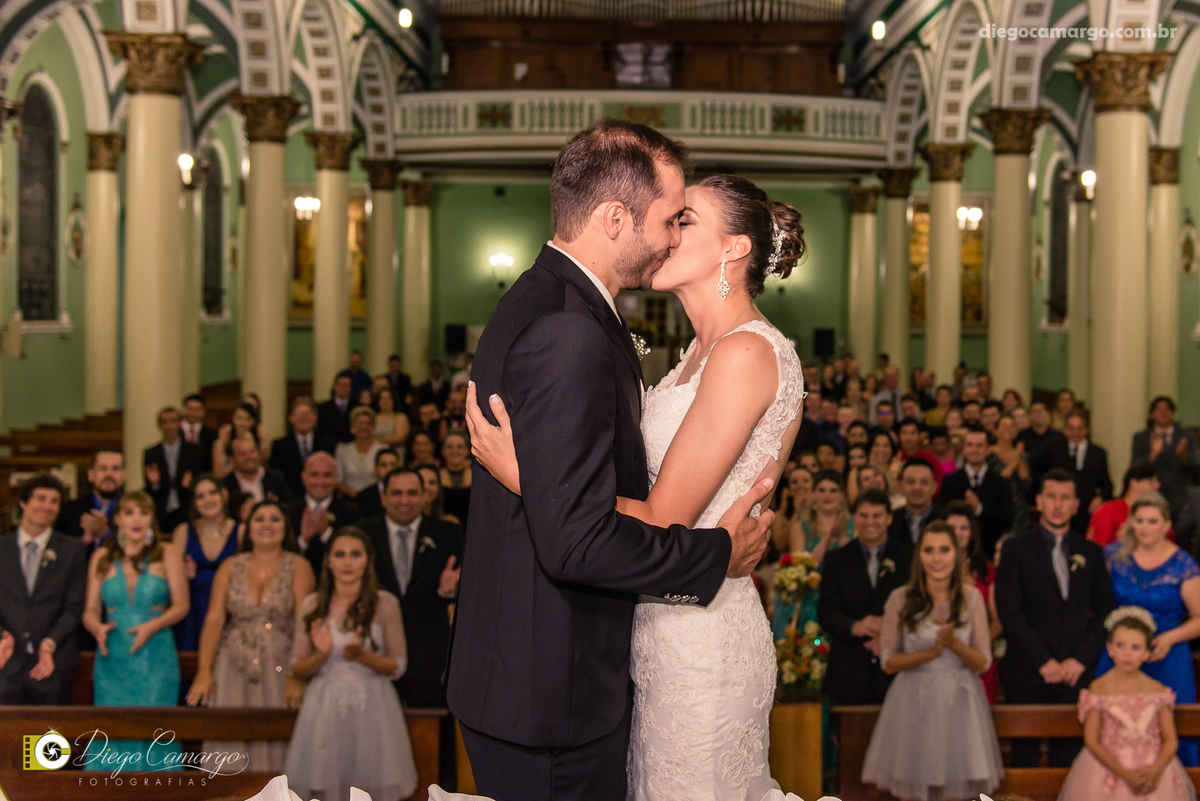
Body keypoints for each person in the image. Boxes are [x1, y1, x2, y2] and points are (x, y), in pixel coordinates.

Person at [453, 124, 791, 801]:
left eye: (685, 221)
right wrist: (714, 555)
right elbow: (579, 528)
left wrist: (528, 478)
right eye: (671, 218)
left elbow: (642, 508)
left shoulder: (734, 350)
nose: (669, 235)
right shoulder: (574, 325)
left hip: (671, 647)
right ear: (615, 218)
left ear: (735, 248)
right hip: (561, 676)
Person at [861, 522, 1003, 801]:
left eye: (944, 550)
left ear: (956, 554)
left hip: (959, 701)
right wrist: (932, 652)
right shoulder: (900, 598)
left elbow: (984, 661)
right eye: (929, 550)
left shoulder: (972, 597)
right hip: (913, 699)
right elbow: (889, 661)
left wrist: (954, 644)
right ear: (919, 556)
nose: (937, 558)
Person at [284, 526, 418, 801]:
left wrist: (362, 655)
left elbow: (398, 666)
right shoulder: (312, 605)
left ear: (368, 560)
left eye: (355, 554)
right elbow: (297, 666)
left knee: (370, 784)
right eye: (340, 554)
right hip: (324, 704)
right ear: (328, 561)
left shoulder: (385, 603)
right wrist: (321, 654)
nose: (347, 562)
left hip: (373, 704)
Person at [995, 469, 1115, 767]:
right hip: (1027, 669)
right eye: (1051, 496)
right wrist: (1043, 661)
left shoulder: (1091, 552)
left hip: (1075, 672)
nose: (1058, 504)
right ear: (1038, 501)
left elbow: (1106, 611)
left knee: (1070, 759)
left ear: (1076, 505)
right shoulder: (1015, 548)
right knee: (1024, 758)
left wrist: (1081, 660)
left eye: (1065, 498)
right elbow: (1009, 611)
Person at [186, 500, 316, 771]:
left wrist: (297, 675)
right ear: (248, 528)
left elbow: (304, 623)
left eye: (275, 519)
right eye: (259, 519)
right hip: (232, 665)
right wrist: (204, 671)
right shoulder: (230, 566)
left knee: (278, 739)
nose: (267, 525)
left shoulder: (299, 566)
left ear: (286, 527)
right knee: (230, 737)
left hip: (281, 666)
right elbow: (214, 619)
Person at [81, 491, 188, 768]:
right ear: (117, 519)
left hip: (156, 656)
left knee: (156, 728)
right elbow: (90, 610)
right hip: (113, 657)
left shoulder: (168, 553)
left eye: (143, 512)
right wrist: (96, 627)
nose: (136, 519)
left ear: (152, 518)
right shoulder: (101, 557)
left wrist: (153, 625)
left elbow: (181, 605)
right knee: (111, 727)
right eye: (129, 513)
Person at [1095, 491, 1200, 766]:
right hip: (1120, 654)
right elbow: (1094, 603)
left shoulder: (1183, 564)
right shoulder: (1113, 556)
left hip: (1167, 654)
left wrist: (1170, 638)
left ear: (1167, 524)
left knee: (1171, 726)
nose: (1144, 527)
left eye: (1152, 521)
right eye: (1139, 520)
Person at [1058, 607, 1196, 801]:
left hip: (1152, 769)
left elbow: (1170, 740)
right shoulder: (1099, 688)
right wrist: (1125, 774)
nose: (1128, 654)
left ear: (1146, 653)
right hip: (1110, 768)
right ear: (1110, 648)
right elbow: (1092, 740)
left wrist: (1156, 769)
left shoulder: (1158, 691)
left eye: (1136, 647)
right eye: (1121, 645)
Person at [358, 468, 463, 707]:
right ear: (383, 497)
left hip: (429, 658)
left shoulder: (448, 534)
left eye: (412, 493)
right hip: (375, 655)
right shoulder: (363, 533)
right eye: (397, 493)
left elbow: (464, 590)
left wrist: (451, 591)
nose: (404, 500)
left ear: (425, 496)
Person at [818, 488, 914, 704]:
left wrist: (889, 633)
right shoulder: (836, 559)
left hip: (896, 669)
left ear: (889, 518)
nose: (870, 522)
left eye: (877, 515)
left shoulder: (908, 557)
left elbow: (917, 607)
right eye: (863, 515)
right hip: (849, 669)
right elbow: (826, 612)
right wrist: (855, 626)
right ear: (855, 518)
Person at [0, 474, 87, 704]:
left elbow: (74, 607)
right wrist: (2, 635)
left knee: (49, 728)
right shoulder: (2, 548)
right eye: (41, 498)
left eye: (54, 501)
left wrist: (50, 643)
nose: (47, 506)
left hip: (53, 664)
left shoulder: (72, 550)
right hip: (6, 664)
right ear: (23, 502)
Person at [941, 500, 1003, 702]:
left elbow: (997, 621)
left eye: (964, 528)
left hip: (978, 660)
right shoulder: (930, 569)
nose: (958, 533)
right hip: (940, 657)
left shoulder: (985, 570)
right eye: (952, 528)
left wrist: (975, 646)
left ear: (972, 533)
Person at [171, 474, 240, 651]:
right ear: (194, 502)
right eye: (200, 496)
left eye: (212, 493)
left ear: (224, 494)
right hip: (191, 614)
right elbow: (171, 580)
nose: (207, 500)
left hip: (230, 612)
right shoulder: (183, 532)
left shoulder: (241, 531)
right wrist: (183, 575)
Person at [939, 428, 1014, 558]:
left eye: (979, 445)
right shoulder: (949, 481)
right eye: (969, 445)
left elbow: (1006, 520)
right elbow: (943, 517)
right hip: (953, 552)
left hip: (989, 552)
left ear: (988, 450)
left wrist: (979, 509)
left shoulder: (1002, 483)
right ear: (964, 449)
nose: (974, 450)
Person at [289, 452, 363, 577]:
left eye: (327, 475)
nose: (320, 481)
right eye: (314, 474)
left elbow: (357, 553)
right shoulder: (289, 511)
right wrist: (303, 541)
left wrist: (326, 534)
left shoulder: (352, 512)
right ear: (303, 477)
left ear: (336, 478)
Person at [1044, 408, 1114, 534]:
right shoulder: (1053, 450)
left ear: (1086, 430)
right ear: (1065, 429)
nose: (1075, 433)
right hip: (1061, 511)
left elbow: (1107, 485)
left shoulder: (1098, 453)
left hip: (1087, 514)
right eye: (1071, 428)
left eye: (1079, 428)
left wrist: (1100, 498)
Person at [1132, 397, 1200, 521]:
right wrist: (1152, 454)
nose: (1163, 413)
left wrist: (1185, 457)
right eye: (1158, 409)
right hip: (1152, 498)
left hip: (1181, 499)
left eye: (1167, 409)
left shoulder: (1187, 436)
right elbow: (1134, 470)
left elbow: (1197, 469)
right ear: (1151, 414)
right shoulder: (1141, 437)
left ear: (1173, 413)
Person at [144, 405, 206, 533]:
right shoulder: (151, 453)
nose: (169, 426)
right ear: (159, 426)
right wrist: (155, 484)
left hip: (187, 508)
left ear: (179, 423)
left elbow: (201, 480)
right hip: (162, 510)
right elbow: (149, 488)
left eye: (173, 421)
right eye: (165, 422)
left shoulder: (194, 451)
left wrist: (191, 484)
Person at [270, 397, 338, 499]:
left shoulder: (329, 443)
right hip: (290, 500)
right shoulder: (279, 446)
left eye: (307, 414)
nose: (303, 418)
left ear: (315, 417)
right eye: (298, 414)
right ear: (291, 418)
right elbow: (277, 478)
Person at [55, 449, 125, 547]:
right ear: (90, 475)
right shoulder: (69, 510)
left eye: (115, 469)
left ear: (124, 474)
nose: (109, 474)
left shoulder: (136, 510)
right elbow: (58, 550)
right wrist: (83, 540)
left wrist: (105, 533)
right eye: (103, 468)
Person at [223, 433, 293, 522]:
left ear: (259, 453)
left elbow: (291, 506)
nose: (249, 457)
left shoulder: (275, 477)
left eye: (252, 451)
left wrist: (278, 505)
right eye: (242, 454)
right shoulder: (226, 484)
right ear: (231, 459)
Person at [1089, 463, 1164, 546]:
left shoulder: (1158, 512)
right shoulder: (1109, 510)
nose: (1157, 485)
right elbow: (1097, 545)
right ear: (1134, 482)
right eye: (1152, 481)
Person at [888, 458, 940, 547]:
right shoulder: (890, 520)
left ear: (934, 487)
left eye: (924, 482)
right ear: (900, 485)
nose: (917, 487)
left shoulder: (944, 518)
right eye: (910, 482)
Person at [212, 402, 269, 479]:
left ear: (254, 421)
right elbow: (217, 474)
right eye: (239, 418)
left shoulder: (257, 440)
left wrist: (263, 440)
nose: (243, 423)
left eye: (248, 419)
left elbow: (264, 467)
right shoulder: (222, 442)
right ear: (233, 419)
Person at [771, 467, 813, 557]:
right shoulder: (780, 515)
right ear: (789, 489)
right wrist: (797, 513)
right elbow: (779, 546)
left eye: (805, 481)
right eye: (794, 482)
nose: (800, 485)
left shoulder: (821, 511)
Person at [438, 430, 472, 524]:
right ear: (443, 451)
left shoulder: (478, 479)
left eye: (460, 447)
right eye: (450, 447)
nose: (454, 451)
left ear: (467, 451)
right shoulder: (436, 478)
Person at [355, 448, 400, 520]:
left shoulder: (407, 494)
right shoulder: (364, 496)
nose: (389, 469)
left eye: (393, 465)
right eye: (383, 465)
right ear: (376, 468)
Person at [182, 393, 219, 473]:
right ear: (184, 409)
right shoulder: (175, 432)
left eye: (197, 410)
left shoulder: (212, 435)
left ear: (204, 411)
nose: (193, 413)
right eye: (190, 409)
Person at [317, 375, 355, 443]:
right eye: (341, 385)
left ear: (350, 388)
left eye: (346, 385)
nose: (343, 388)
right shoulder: (323, 408)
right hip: (329, 444)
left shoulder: (356, 406)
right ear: (334, 386)